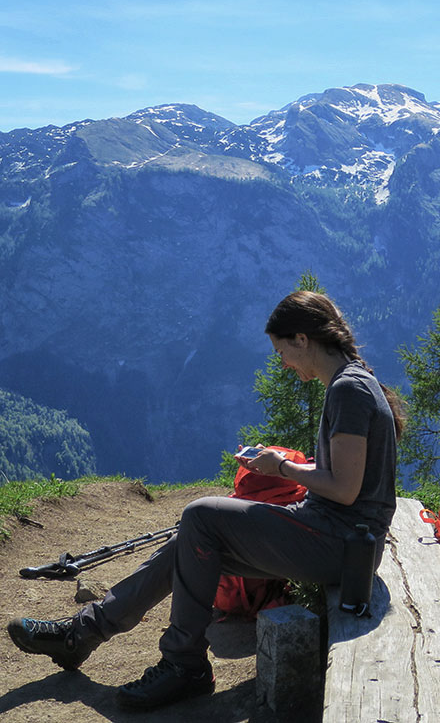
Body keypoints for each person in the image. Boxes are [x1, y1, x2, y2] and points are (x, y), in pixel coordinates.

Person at [7, 290, 404, 710]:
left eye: (281, 351)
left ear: (302, 339)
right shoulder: (352, 382)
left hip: (341, 543)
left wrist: (282, 467)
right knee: (191, 540)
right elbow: (348, 480)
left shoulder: (348, 390)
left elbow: (344, 488)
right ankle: (81, 634)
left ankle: (184, 664)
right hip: (336, 536)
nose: (283, 363)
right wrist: (280, 468)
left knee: (201, 514)